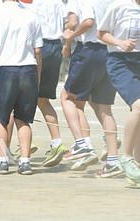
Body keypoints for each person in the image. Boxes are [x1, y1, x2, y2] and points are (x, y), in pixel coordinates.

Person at [61, 0, 123, 178]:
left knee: (68, 97)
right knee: (103, 107)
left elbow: (88, 22)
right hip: (111, 51)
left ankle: (82, 144)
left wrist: (70, 37)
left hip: (92, 49)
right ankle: (112, 161)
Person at [0, 0, 43, 175]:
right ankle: (25, 161)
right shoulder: (32, 14)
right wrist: (38, 75)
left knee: (1, 119)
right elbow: (38, 51)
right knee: (23, 119)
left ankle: (3, 160)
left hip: (5, 68)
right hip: (29, 68)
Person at [21, 0, 69, 168]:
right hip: (56, 46)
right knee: (43, 99)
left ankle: (26, 142)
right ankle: (57, 142)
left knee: (19, 97)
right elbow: (68, 22)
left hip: (38, 46)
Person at [98, 0, 140, 184]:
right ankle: (126, 158)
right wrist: (121, 43)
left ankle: (137, 166)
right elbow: (101, 33)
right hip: (120, 61)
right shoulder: (119, 6)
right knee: (138, 106)